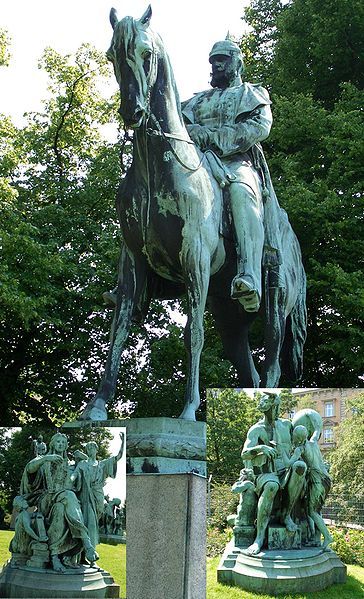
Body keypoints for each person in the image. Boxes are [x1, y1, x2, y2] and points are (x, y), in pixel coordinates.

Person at [182, 36, 283, 313]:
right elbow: (177, 128)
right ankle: (137, 281)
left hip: (236, 161)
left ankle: (249, 274)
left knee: (241, 191)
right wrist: (193, 134)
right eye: (213, 61)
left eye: (222, 60)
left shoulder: (253, 94)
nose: (216, 65)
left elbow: (257, 128)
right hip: (197, 163)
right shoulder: (194, 102)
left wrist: (211, 137)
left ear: (237, 63)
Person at [20, 432, 98, 572]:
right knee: (68, 496)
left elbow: (82, 474)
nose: (61, 444)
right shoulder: (43, 459)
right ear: (53, 444)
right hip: (46, 500)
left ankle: (55, 556)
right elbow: (29, 468)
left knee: (61, 508)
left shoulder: (71, 465)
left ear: (66, 445)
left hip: (63, 502)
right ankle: (87, 543)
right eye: (58, 442)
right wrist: (46, 458)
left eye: (63, 442)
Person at [241, 393, 307, 554]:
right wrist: (261, 448)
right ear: (267, 408)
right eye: (273, 407)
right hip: (266, 472)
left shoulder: (286, 425)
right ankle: (259, 538)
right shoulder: (256, 429)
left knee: (300, 467)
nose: (276, 411)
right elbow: (245, 453)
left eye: (277, 407)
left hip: (286, 469)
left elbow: (301, 439)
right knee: (271, 486)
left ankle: (286, 515)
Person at [71, 432, 125, 547]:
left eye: (92, 448)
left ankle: (89, 546)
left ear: (96, 450)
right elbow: (74, 475)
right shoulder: (82, 463)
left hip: (98, 494)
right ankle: (88, 547)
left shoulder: (102, 464)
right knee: (87, 519)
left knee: (95, 519)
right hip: (85, 494)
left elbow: (118, 457)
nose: (90, 450)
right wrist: (70, 480)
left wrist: (123, 442)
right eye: (88, 448)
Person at [290, 425, 333, 549]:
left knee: (312, 511)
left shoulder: (300, 448)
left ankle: (327, 537)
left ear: (297, 437)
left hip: (317, 482)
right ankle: (313, 536)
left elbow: (288, 463)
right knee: (313, 508)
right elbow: (317, 430)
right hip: (326, 480)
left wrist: (282, 452)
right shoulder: (314, 442)